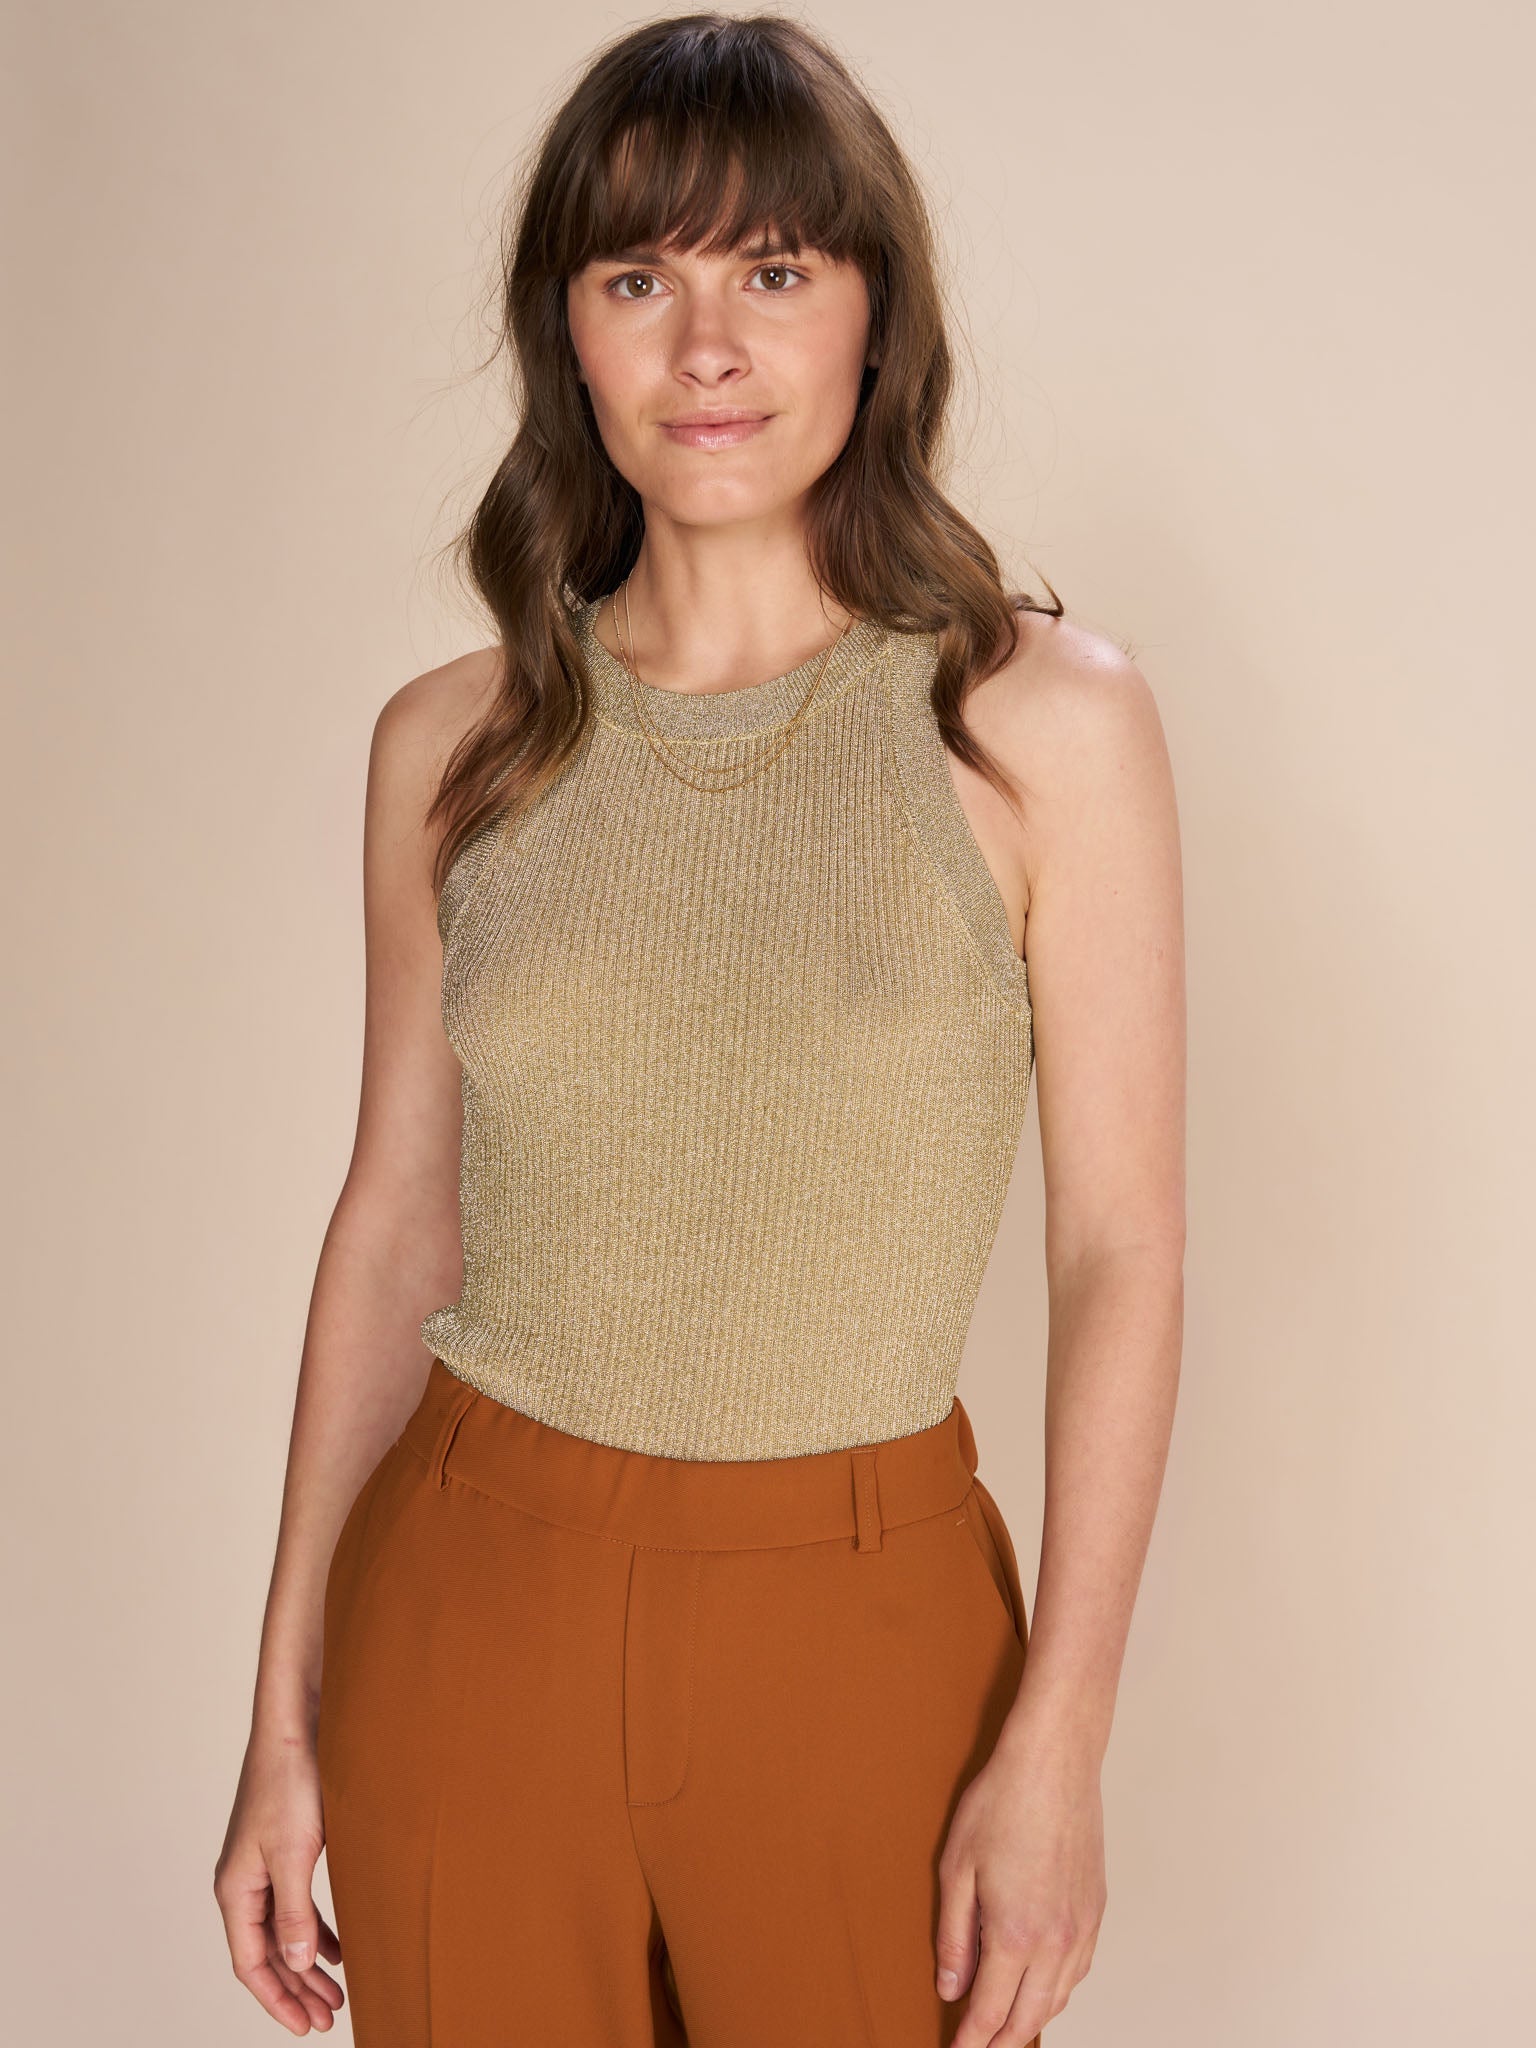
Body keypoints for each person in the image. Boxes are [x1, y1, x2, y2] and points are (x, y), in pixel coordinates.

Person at [213, 14, 1185, 2047]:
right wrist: (281, 1715)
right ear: (568, 332)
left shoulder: (1040, 728)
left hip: (864, 1627)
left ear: (874, 315)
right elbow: (393, 1224)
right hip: (469, 1615)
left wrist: (1065, 1732)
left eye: (776, 268)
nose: (709, 348)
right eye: (639, 278)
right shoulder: (454, 748)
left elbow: (1120, 1248)